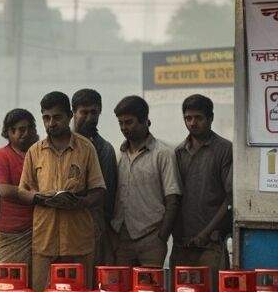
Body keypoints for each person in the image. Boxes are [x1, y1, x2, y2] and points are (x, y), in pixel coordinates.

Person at [17, 91, 106, 291]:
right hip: (44, 239)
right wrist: (40, 198)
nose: (51, 123)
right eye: (46, 118)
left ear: (69, 116)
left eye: (57, 117)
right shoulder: (34, 151)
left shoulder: (86, 148)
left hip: (77, 240)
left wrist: (78, 202)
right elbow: (22, 191)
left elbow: (99, 191)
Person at [110, 95, 180, 267]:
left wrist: (161, 236)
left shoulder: (163, 154)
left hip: (151, 238)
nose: (124, 128)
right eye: (121, 123)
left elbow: (173, 199)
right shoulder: (119, 155)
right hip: (122, 238)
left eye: (129, 122)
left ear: (145, 121)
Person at [172, 94, 232, 280]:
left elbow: (230, 198)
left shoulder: (224, 149)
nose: (192, 123)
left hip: (211, 243)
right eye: (188, 118)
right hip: (183, 243)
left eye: (198, 118)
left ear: (210, 118)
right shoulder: (179, 152)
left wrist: (206, 233)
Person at [71, 89, 119, 264]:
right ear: (73, 113)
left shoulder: (105, 149)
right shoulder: (55, 144)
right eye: (84, 112)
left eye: (94, 112)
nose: (90, 117)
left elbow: (107, 195)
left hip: (92, 226)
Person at [0, 108, 38, 269]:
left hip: (40, 230)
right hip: (11, 233)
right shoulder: (1, 156)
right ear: (9, 133)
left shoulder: (41, 155)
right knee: (10, 285)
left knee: (38, 286)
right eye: (20, 130)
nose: (26, 133)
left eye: (30, 128)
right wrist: (36, 196)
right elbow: (3, 190)